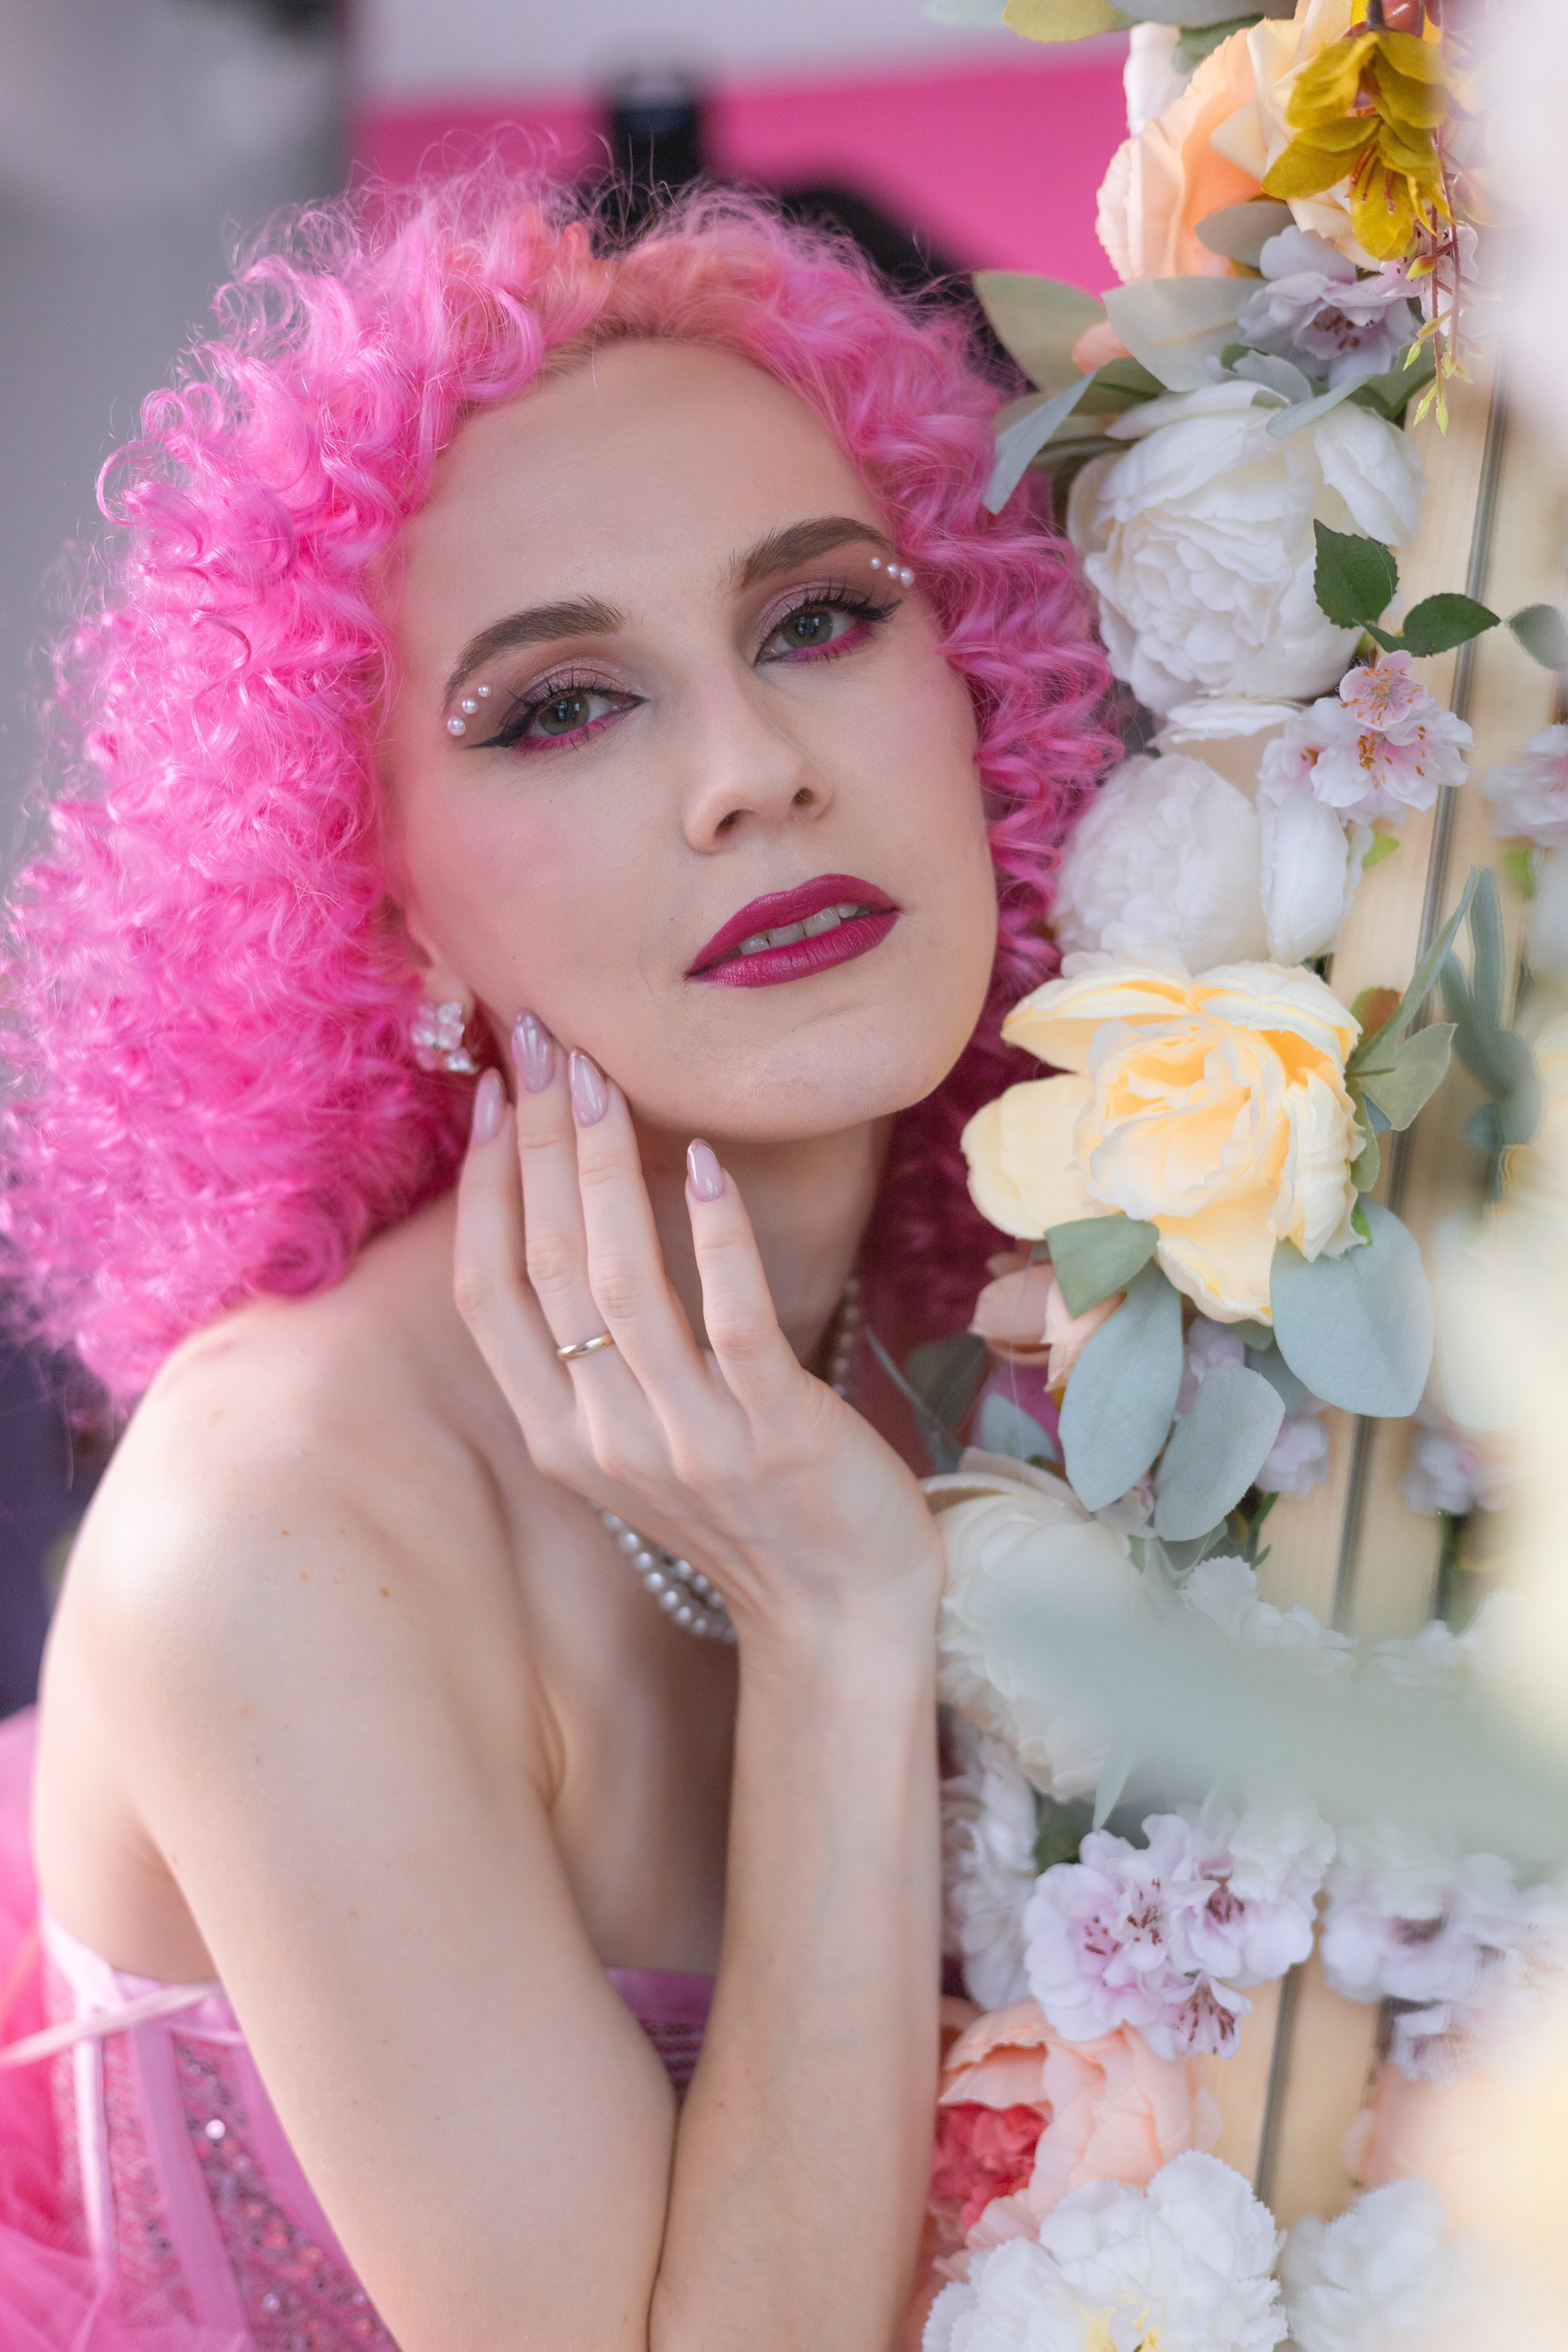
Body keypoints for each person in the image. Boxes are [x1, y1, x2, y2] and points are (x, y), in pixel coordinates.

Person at [0, 173, 1109, 2350]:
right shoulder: (281, 1530)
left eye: (820, 619)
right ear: (375, 897)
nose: (752, 775)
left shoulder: (1039, 1330)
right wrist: (837, 1623)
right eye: (560, 709)